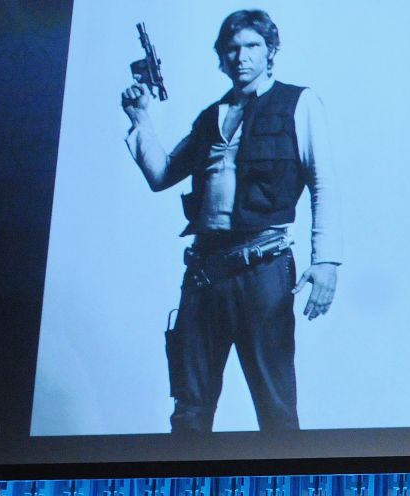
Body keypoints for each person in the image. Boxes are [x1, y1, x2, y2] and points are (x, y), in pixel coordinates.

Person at [122, 9, 341, 433]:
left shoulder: (299, 102)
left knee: (276, 407)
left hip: (263, 270)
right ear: (221, 58)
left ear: (271, 51)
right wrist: (140, 118)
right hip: (204, 275)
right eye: (232, 49)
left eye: (252, 47)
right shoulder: (210, 118)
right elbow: (162, 175)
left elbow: (323, 183)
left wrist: (327, 261)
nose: (241, 57)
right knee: (189, 409)